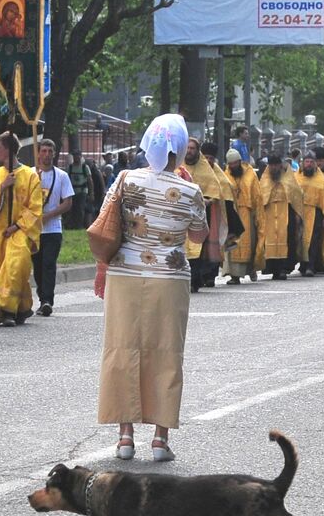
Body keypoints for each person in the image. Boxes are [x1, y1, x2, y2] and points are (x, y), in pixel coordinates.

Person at [94, 114, 206, 462]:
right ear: (180, 148)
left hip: (124, 275)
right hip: (169, 280)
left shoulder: (125, 179)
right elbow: (198, 236)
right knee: (166, 352)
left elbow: (105, 220)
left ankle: (124, 436)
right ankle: (160, 439)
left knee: (121, 347)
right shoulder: (190, 188)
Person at [0, 131, 43, 326]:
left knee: (16, 263)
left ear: (9, 149)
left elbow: (35, 208)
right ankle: (21, 308)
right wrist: (3, 187)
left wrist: (16, 226)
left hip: (21, 230)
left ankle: (2, 307)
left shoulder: (30, 175)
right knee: (4, 268)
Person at [32, 138, 74, 316]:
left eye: (50, 151)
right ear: (38, 153)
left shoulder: (62, 176)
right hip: (34, 230)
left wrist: (48, 215)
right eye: (44, 151)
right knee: (37, 265)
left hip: (53, 229)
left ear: (54, 154)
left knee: (49, 264)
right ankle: (41, 296)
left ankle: (47, 300)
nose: (47, 155)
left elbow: (68, 202)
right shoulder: (31, 174)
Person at [182, 138, 228, 292]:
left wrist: (209, 200)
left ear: (197, 150)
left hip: (200, 214)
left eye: (192, 148)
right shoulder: (178, 168)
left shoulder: (205, 170)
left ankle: (196, 279)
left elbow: (215, 190)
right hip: (181, 214)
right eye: (187, 148)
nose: (189, 151)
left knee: (198, 247)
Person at [257, 154, 303, 280]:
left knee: (286, 240)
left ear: (280, 165)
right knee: (269, 241)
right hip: (269, 215)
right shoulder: (264, 180)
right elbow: (260, 197)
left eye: (276, 165)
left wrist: (298, 215)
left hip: (286, 214)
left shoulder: (289, 179)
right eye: (271, 165)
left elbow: (297, 196)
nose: (274, 168)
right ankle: (272, 269)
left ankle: (283, 268)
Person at [294, 149, 324, 275]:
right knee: (299, 240)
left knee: (313, 240)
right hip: (299, 213)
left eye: (312, 161)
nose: (309, 164)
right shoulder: (296, 178)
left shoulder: (321, 181)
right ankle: (302, 264)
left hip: (315, 213)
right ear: (303, 163)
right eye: (307, 161)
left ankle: (311, 266)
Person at [223, 148, 260, 283]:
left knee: (248, 243)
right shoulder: (226, 175)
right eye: (230, 164)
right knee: (233, 244)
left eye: (235, 163)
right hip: (232, 213)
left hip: (247, 212)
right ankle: (234, 276)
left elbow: (257, 195)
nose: (233, 166)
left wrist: (257, 214)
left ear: (239, 161)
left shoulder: (251, 175)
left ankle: (251, 269)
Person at [64, 150, 89, 230]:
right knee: (71, 209)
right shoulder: (70, 167)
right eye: (75, 156)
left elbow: (90, 180)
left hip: (82, 191)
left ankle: (79, 225)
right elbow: (66, 180)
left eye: (78, 156)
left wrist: (92, 193)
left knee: (80, 209)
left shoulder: (85, 167)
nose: (76, 158)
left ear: (80, 156)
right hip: (72, 191)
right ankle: (72, 225)